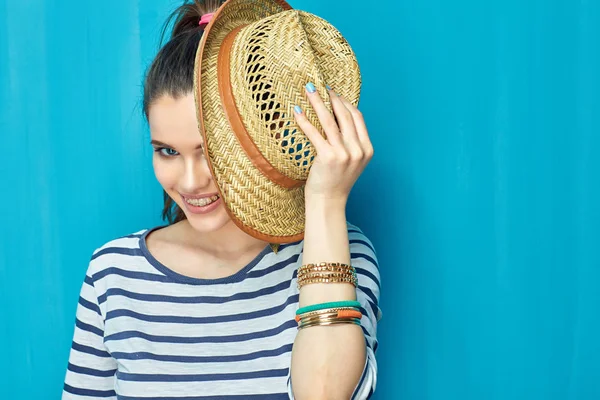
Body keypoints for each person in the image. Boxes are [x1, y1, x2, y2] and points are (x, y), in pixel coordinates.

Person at [62, 0, 381, 398]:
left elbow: (323, 394)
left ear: (264, 136)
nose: (191, 182)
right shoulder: (114, 274)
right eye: (167, 151)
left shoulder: (340, 251)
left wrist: (326, 203)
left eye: (209, 151)